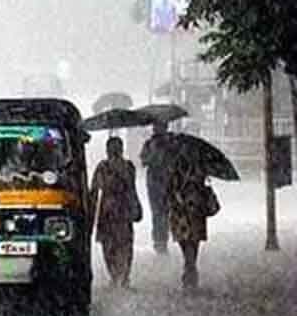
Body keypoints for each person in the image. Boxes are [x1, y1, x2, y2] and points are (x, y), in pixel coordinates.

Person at [90, 136, 142, 289]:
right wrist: (136, 205)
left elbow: (94, 190)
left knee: (109, 245)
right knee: (124, 244)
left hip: (107, 210)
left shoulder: (103, 167)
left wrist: (90, 212)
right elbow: (132, 189)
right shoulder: (128, 167)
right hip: (123, 209)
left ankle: (115, 276)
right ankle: (124, 277)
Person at [166, 154, 220, 290]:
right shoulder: (199, 169)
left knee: (186, 242)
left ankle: (189, 268)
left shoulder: (175, 170)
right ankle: (190, 268)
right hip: (195, 211)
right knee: (192, 243)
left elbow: (169, 192)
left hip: (182, 213)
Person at [140, 120, 175, 254]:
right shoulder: (149, 144)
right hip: (155, 182)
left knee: (165, 212)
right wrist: (153, 155)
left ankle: (163, 239)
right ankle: (159, 240)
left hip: (166, 181)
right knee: (157, 212)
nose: (156, 129)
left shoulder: (171, 143)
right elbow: (143, 161)